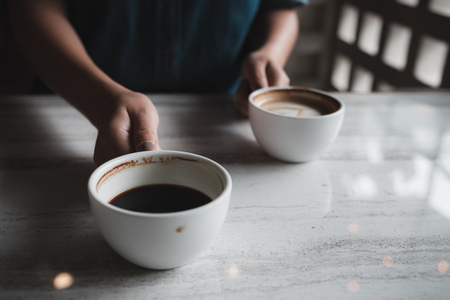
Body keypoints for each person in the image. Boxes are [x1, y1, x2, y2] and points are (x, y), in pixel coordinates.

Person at [8, 0, 307, 165]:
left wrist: (270, 52)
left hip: (224, 116)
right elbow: (31, 7)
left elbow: (279, 5)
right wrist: (101, 101)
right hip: (69, 111)